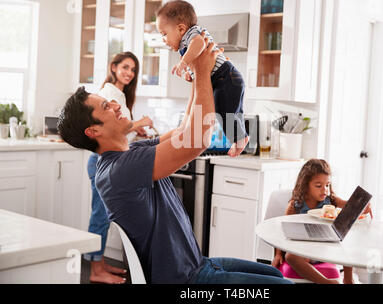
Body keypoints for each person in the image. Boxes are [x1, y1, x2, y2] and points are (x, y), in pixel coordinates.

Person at [57, 39, 292, 284]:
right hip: (187, 280)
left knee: (274, 274)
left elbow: (183, 132)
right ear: (93, 131)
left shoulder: (129, 153)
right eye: (106, 106)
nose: (116, 104)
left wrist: (198, 79)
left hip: (197, 263)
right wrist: (202, 70)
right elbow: (197, 140)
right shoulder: (120, 170)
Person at [84, 51, 154, 284]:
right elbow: (111, 129)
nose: (129, 73)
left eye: (133, 70)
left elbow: (120, 127)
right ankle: (95, 269)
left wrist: (136, 129)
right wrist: (139, 123)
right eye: (125, 67)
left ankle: (101, 264)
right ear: (113, 67)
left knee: (106, 216)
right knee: (100, 216)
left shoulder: (121, 95)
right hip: (102, 161)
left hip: (113, 161)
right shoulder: (108, 93)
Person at [156, 0, 249, 157]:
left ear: (180, 28)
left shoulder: (193, 34)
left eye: (164, 34)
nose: (163, 40)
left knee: (223, 111)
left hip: (225, 76)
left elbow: (199, 44)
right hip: (228, 78)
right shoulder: (185, 43)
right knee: (233, 112)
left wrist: (184, 62)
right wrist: (190, 73)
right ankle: (241, 137)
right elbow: (199, 64)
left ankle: (240, 139)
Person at [271, 159, 373, 284]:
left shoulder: (331, 200)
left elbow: (349, 206)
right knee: (290, 257)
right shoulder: (295, 205)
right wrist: (277, 254)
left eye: (327, 185)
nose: (324, 190)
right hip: (303, 250)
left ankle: (348, 278)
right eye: (318, 186)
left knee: (346, 239)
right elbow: (281, 231)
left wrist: (362, 205)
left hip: (324, 247)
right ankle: (325, 282)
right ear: (305, 185)